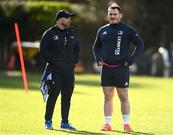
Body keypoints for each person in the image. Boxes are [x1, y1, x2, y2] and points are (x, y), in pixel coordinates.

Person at [92, 3, 144, 133]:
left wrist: (131, 59)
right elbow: (96, 47)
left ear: (120, 15)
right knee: (107, 96)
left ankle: (126, 124)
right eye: (110, 14)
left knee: (123, 97)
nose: (112, 16)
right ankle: (107, 124)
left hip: (121, 68)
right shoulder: (102, 30)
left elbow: (140, 44)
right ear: (107, 15)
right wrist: (98, 59)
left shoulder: (127, 30)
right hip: (106, 69)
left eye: (115, 14)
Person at [40, 10, 80, 130]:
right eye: (67, 18)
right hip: (55, 71)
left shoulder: (71, 32)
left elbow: (77, 48)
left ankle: (65, 122)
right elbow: (43, 50)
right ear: (59, 20)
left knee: (67, 98)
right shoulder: (50, 33)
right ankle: (48, 121)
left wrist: (74, 61)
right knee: (53, 97)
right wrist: (55, 62)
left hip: (69, 72)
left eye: (69, 18)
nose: (69, 20)